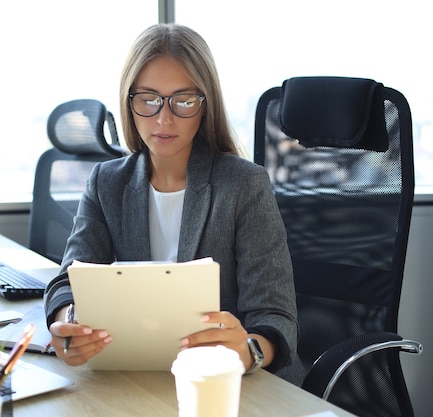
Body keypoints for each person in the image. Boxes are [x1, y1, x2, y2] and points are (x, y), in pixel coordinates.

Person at [43, 23, 305, 385]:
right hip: (141, 378)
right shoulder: (107, 183)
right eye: (149, 100)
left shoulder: (243, 185)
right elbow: (66, 281)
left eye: (183, 101)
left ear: (204, 106)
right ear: (129, 101)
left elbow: (277, 319)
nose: (164, 119)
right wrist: (68, 319)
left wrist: (247, 350)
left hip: (231, 387)